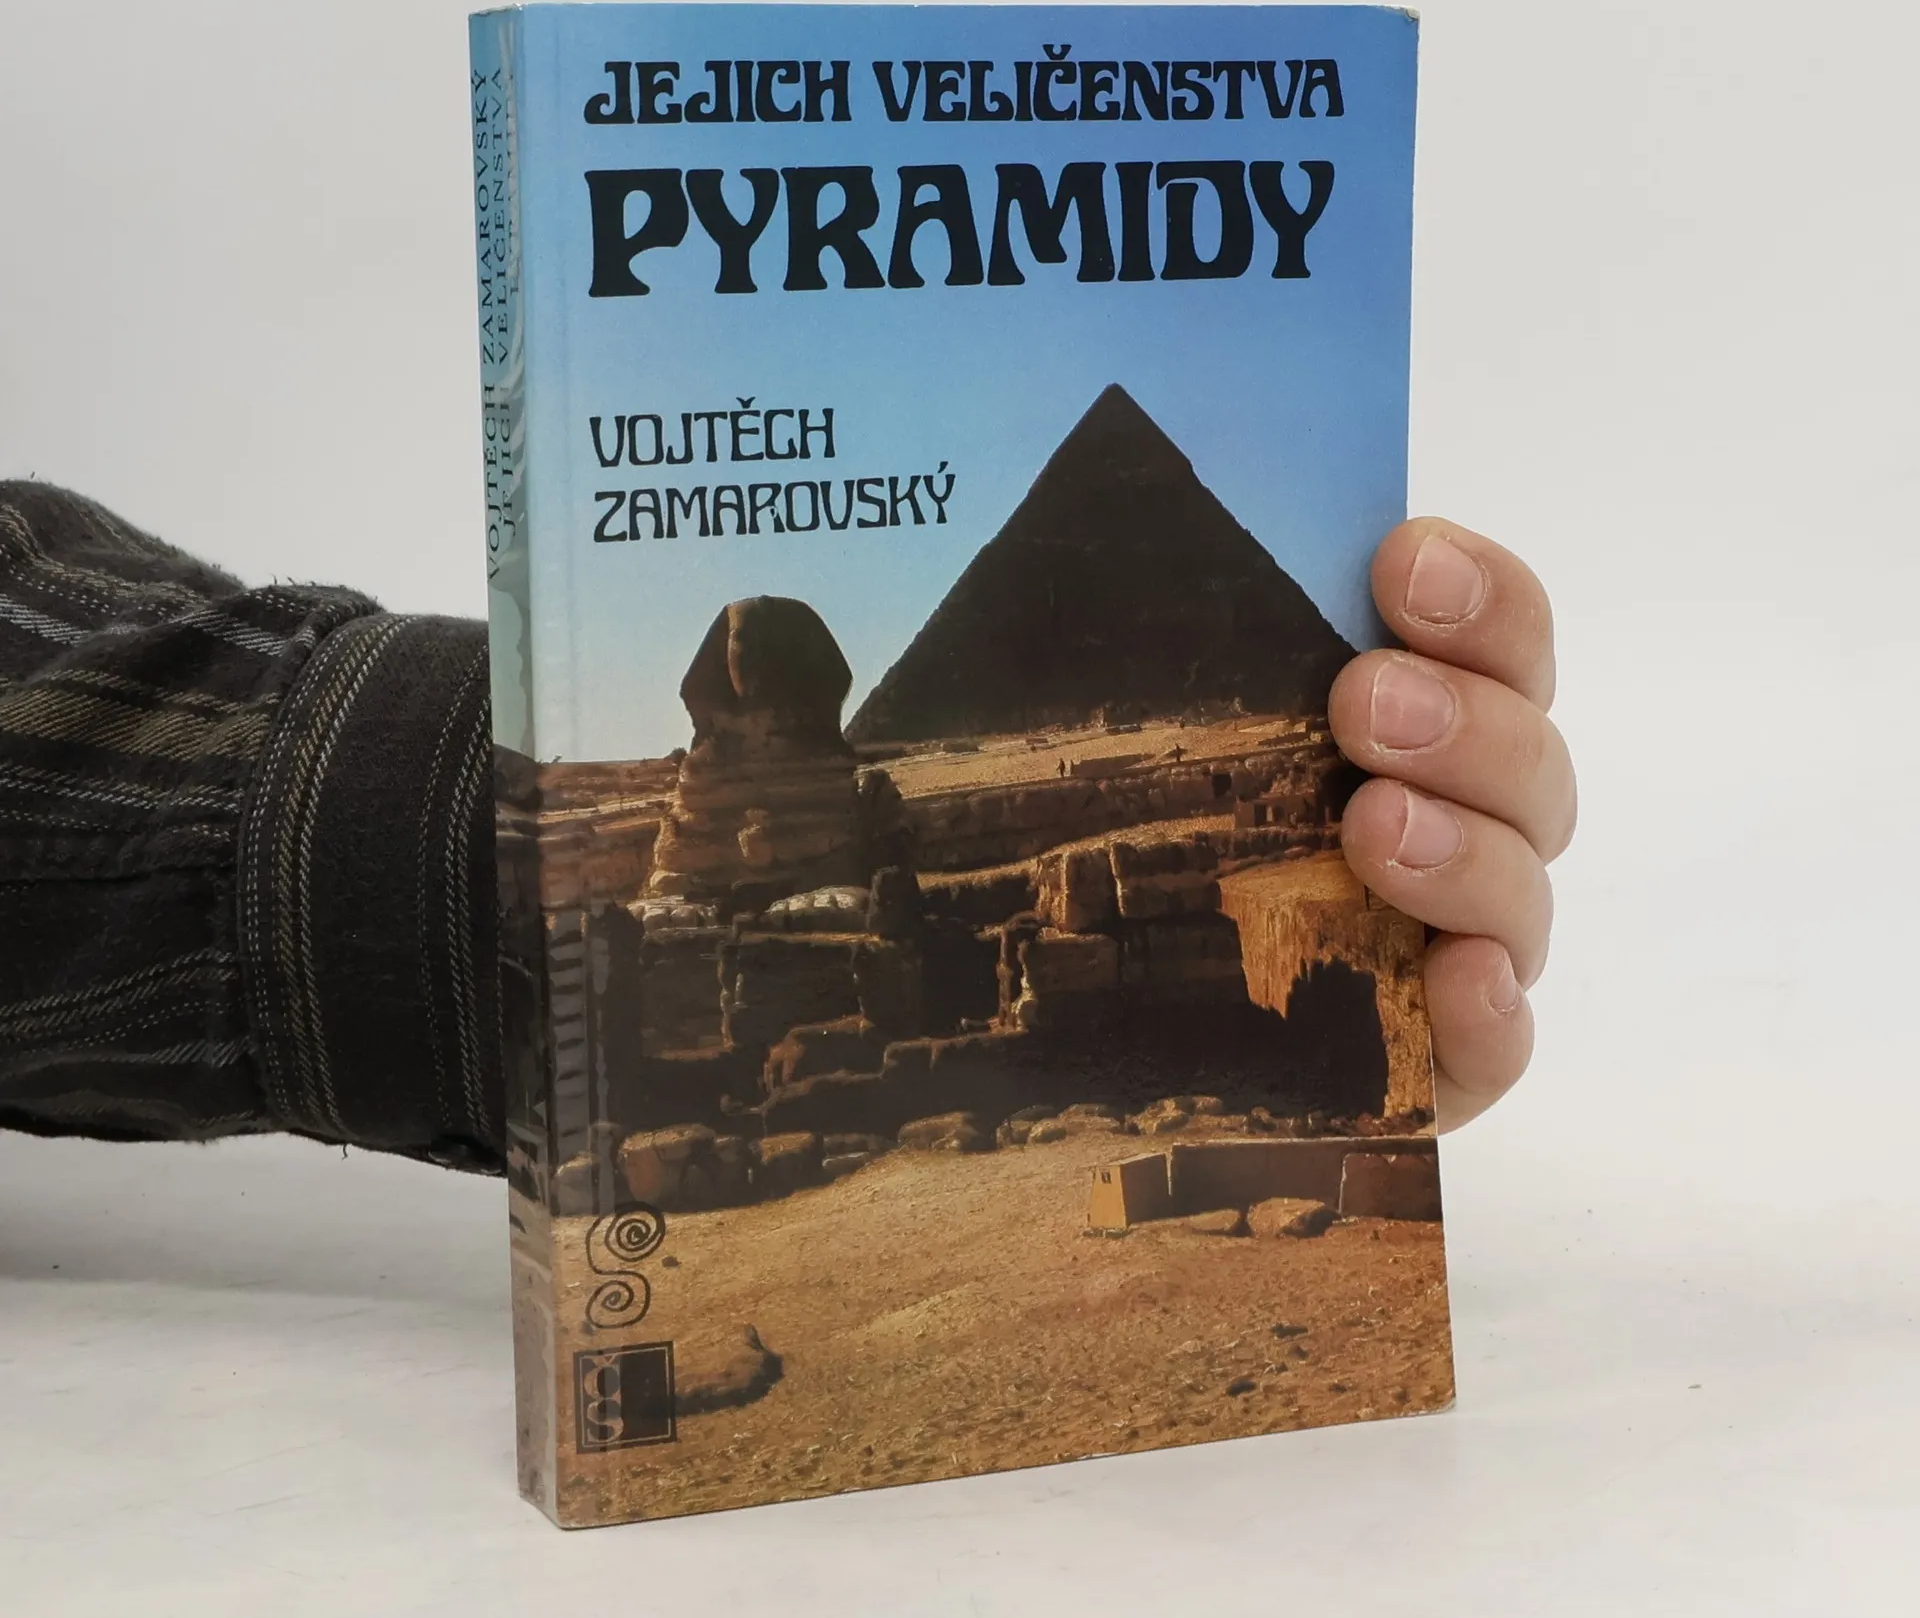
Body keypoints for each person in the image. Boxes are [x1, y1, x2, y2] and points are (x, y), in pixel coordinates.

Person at [0, 483, 1573, 1171]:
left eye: (767, 688)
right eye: (735, 688)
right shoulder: (709, 799)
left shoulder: (837, 796)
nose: (747, 706)